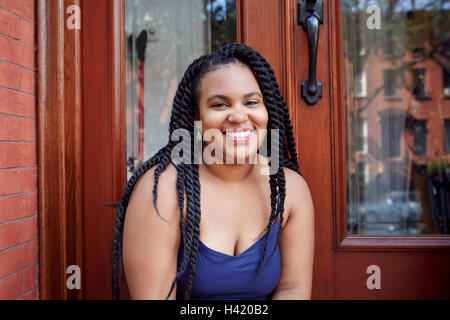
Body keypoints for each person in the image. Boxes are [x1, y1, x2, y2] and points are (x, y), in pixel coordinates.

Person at [112, 43, 314, 300]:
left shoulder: (290, 188)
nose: (239, 116)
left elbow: (293, 289)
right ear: (198, 117)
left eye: (251, 101)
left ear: (267, 110)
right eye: (220, 105)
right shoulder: (164, 190)